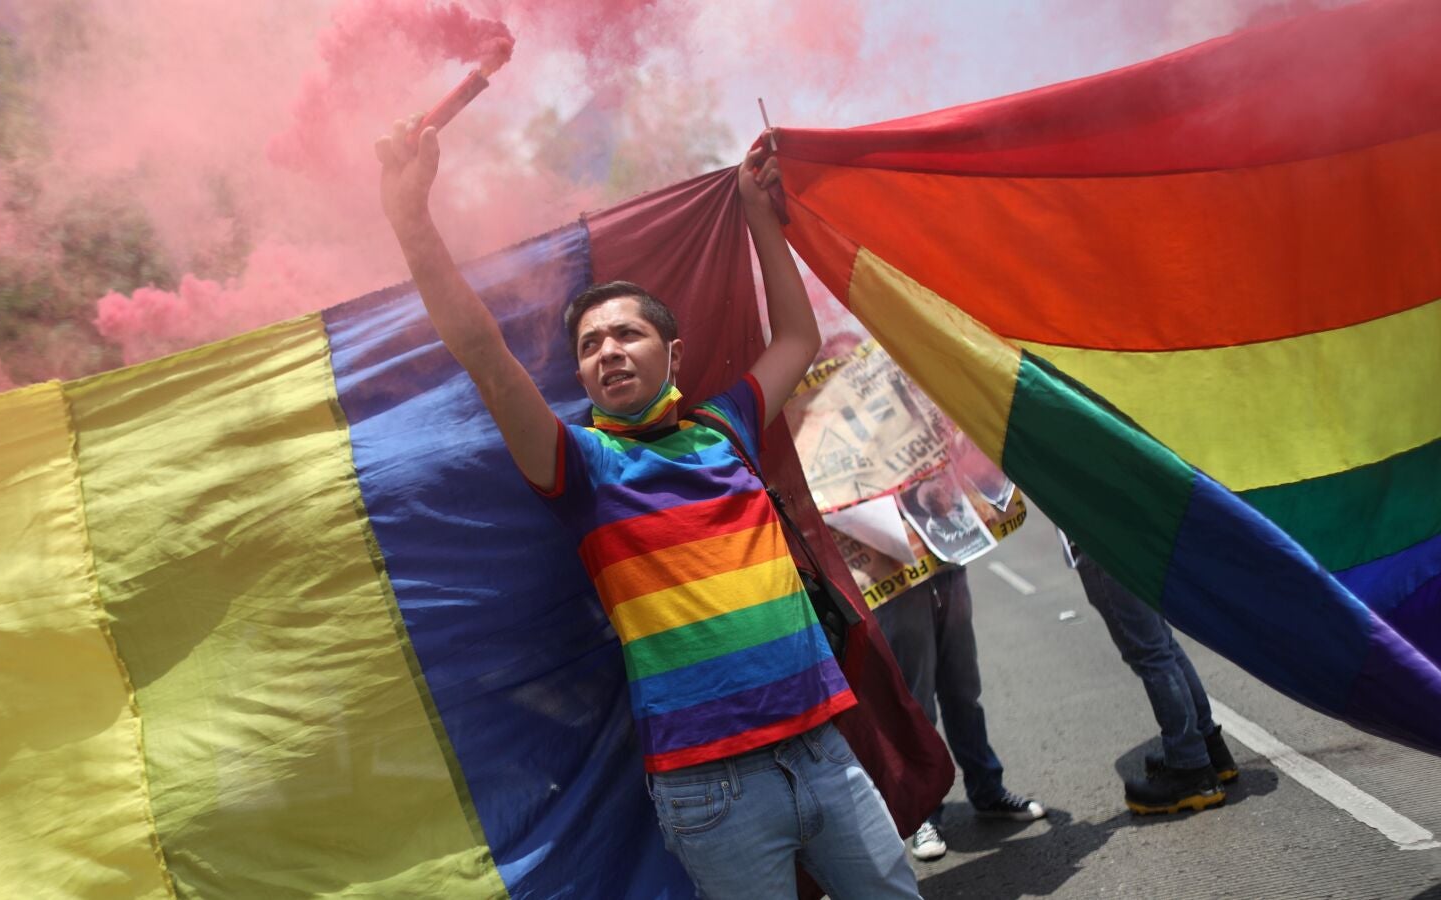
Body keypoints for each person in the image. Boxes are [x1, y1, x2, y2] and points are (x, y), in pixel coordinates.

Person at [375, 117, 922, 899]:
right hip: (711, 794)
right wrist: (412, 223)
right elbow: (486, 359)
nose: (607, 350)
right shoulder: (583, 469)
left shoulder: (724, 429)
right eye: (589, 345)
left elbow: (797, 338)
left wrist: (756, 211)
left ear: (673, 353)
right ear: (582, 378)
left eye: (627, 333)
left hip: (823, 752)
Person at [873, 564, 1047, 861]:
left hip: (945, 569)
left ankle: (988, 790)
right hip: (895, 581)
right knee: (917, 706)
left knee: (964, 691)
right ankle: (925, 814)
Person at [1074, 552, 1239, 814]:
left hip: (1101, 545)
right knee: (1161, 645)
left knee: (1151, 653)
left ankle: (1190, 767)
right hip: (1123, 541)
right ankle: (1208, 749)